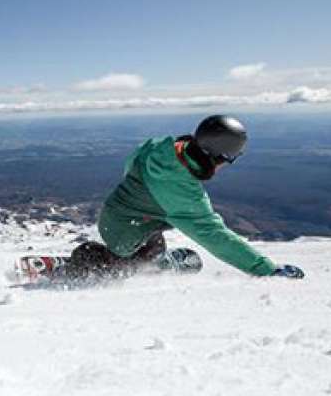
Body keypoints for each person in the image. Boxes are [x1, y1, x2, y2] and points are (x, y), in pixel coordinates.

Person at [67, 115, 304, 280]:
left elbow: (132, 164)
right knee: (130, 265)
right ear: (218, 157)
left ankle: (154, 259)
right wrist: (267, 270)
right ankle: (88, 260)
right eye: (230, 159)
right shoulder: (183, 193)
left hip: (129, 217)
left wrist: (139, 197)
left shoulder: (161, 147)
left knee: (155, 240)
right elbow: (215, 236)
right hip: (123, 231)